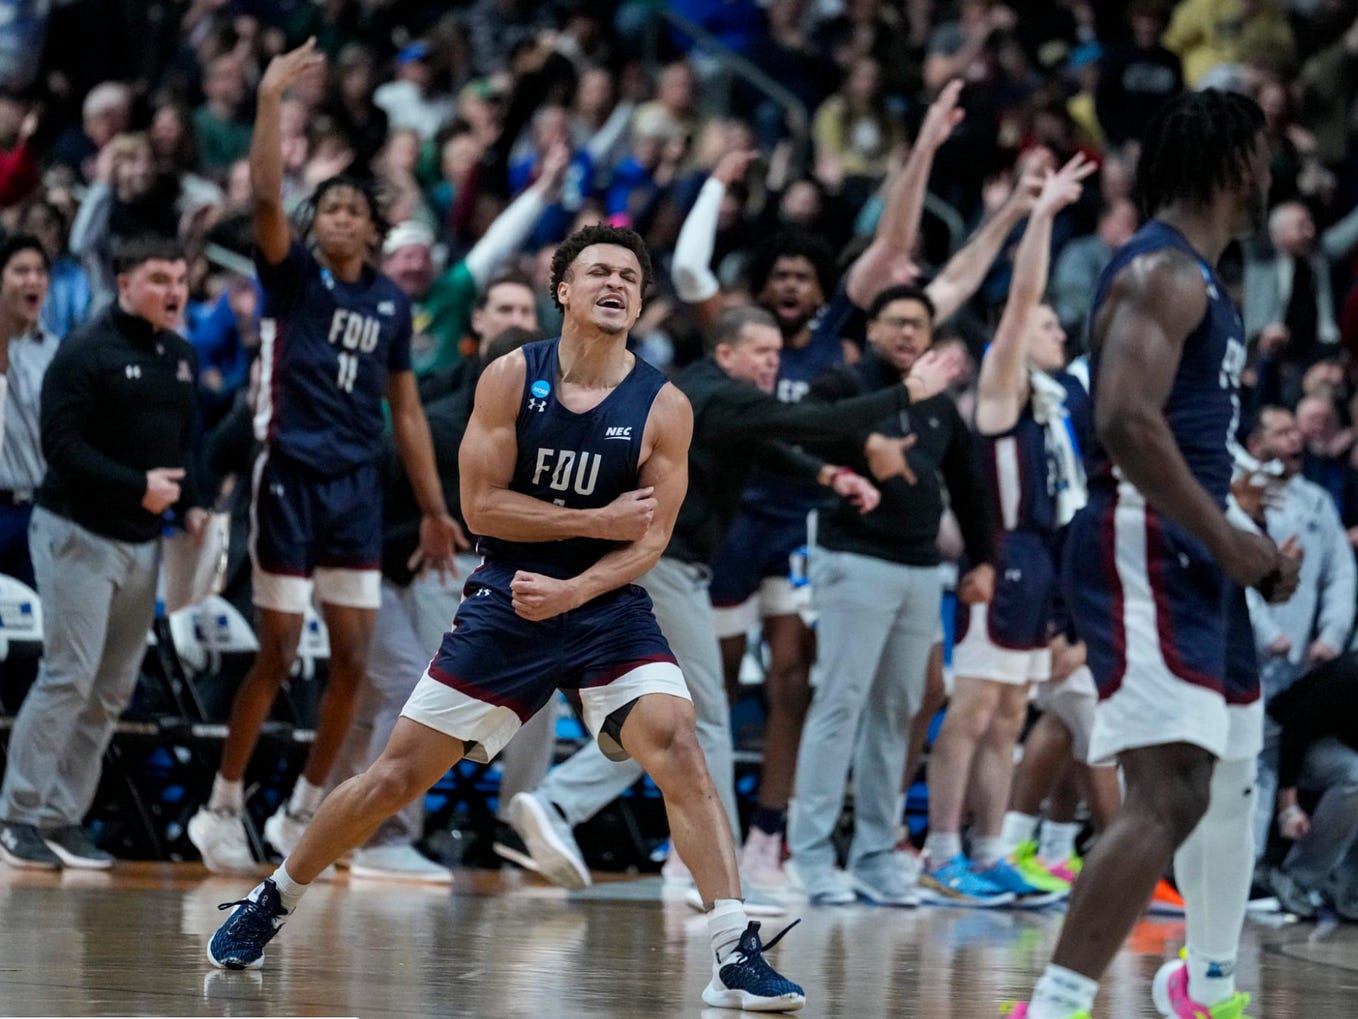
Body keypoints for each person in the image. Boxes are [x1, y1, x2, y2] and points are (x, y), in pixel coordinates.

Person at [205, 222, 808, 1013]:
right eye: (599, 271)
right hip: (504, 599)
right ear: (564, 288)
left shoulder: (663, 404)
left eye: (629, 275)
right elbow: (481, 507)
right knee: (394, 776)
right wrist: (592, 523)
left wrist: (575, 586)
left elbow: (650, 539)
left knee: (679, 744)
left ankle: (733, 947)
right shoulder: (507, 378)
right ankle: (273, 897)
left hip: (605, 603)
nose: (616, 284)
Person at [500, 305, 957, 893]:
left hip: (649, 563)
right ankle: (703, 870)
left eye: (777, 353)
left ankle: (571, 809)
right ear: (725, 353)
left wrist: (826, 478)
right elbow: (818, 421)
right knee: (704, 719)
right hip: (661, 566)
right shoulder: (720, 396)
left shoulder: (704, 397)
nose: (774, 363)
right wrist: (908, 392)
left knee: (664, 721)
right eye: (762, 353)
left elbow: (761, 445)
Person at [1013, 89, 1301, 1019]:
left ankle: (1203, 983)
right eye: (1261, 155)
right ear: (1231, 164)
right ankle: (1053, 1006)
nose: (1271, 173)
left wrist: (1236, 529)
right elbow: (1126, 421)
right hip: (1142, 537)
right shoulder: (1161, 275)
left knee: (1234, 768)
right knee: (1169, 788)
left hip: (1194, 545)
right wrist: (1230, 541)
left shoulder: (1210, 280)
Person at [187, 39, 458, 874]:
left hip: (356, 486)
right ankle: (221, 804)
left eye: (351, 209)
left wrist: (438, 507)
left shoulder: (390, 305)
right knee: (277, 648)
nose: (336, 217)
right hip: (287, 477)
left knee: (351, 658)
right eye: (327, 209)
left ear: (375, 227)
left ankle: (305, 810)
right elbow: (267, 192)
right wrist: (271, 99)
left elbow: (406, 410)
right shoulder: (295, 279)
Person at [920, 154, 1096, 908]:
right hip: (1002, 556)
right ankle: (940, 850)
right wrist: (1043, 215)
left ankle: (990, 849)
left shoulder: (1053, 402)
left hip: (1042, 561)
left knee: (1008, 717)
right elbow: (1022, 296)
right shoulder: (1000, 385)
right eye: (1046, 325)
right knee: (972, 711)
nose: (1054, 330)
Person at [0, 234, 204, 870]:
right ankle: (16, 816)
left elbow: (180, 443)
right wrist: (135, 486)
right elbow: (60, 448)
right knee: (67, 676)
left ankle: (63, 817)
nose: (173, 291)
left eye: (179, 279)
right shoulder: (84, 349)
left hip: (142, 545)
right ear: (124, 284)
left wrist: (191, 499)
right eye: (158, 279)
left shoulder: (179, 355)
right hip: (75, 533)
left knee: (112, 689)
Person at [0, 235, 58, 587]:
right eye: (21, 271)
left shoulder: (59, 354)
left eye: (40, 271)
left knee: (40, 629)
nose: (33, 280)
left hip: (41, 510)